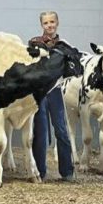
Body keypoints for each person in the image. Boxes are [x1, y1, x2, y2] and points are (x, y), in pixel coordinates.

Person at [30, 11, 76, 182]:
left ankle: (67, 171)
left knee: (62, 130)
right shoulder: (35, 42)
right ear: (42, 25)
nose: (49, 25)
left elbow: (72, 67)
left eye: (52, 22)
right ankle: (40, 171)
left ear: (57, 23)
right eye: (46, 23)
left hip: (56, 91)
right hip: (40, 92)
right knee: (40, 131)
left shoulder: (64, 45)